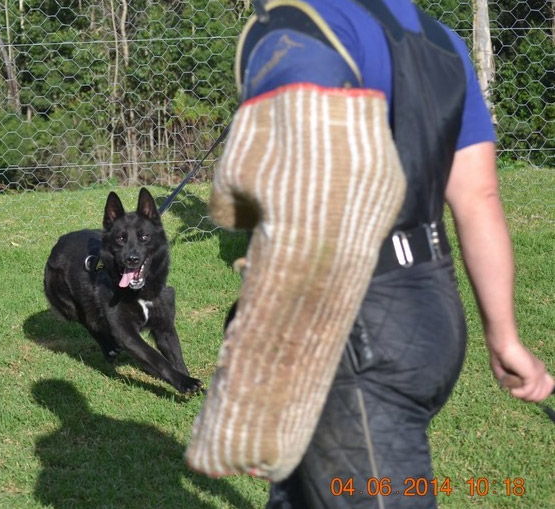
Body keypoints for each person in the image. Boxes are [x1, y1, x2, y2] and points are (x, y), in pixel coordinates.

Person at [198, 1, 554, 507]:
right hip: (431, 311)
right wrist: (504, 337)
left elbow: (304, 203)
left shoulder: (298, 29)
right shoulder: (441, 40)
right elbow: (478, 197)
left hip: (355, 330)